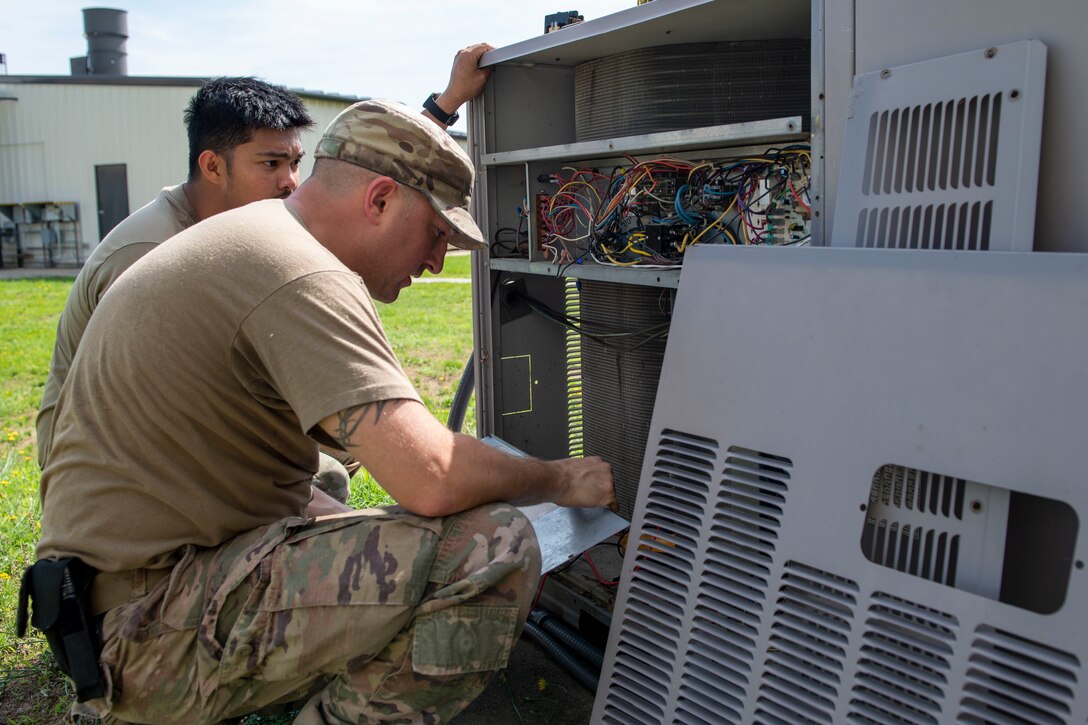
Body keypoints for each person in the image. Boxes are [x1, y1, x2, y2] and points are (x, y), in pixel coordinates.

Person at [27, 97, 616, 723]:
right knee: (491, 547)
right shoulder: (299, 271)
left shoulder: (253, 238)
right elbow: (434, 475)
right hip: (144, 635)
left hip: (106, 610)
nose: (436, 261)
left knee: (335, 486)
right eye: (437, 233)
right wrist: (561, 479)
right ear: (381, 200)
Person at [34, 43, 494, 491]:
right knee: (323, 471)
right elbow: (151, 421)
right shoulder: (152, 250)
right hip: (123, 469)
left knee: (339, 443)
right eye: (271, 163)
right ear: (213, 167)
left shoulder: (252, 229)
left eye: (295, 162)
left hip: (179, 436)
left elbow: (377, 180)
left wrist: (446, 103)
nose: (290, 181)